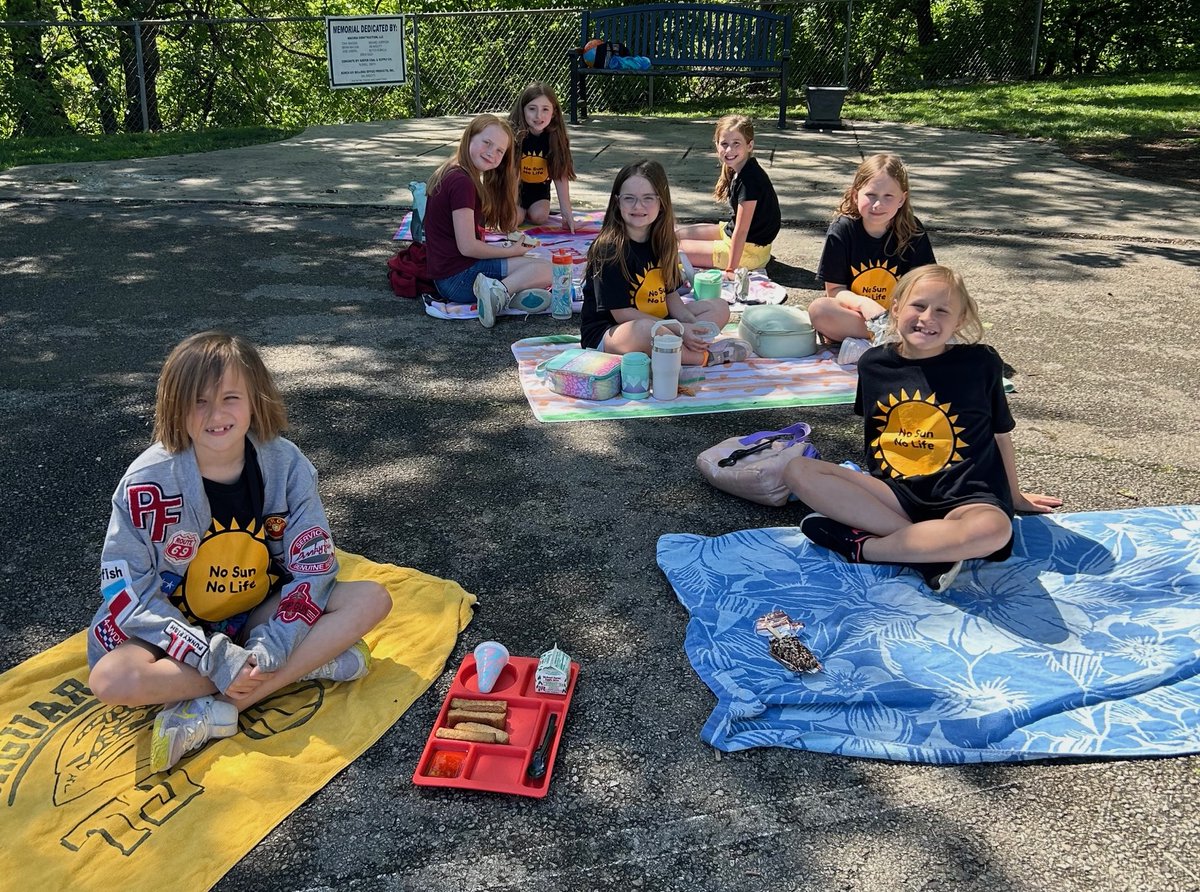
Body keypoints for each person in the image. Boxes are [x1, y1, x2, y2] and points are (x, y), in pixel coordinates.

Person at [87, 331, 392, 773]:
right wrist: (217, 659)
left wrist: (270, 650)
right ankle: (298, 670)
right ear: (175, 406)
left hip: (253, 615)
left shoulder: (286, 464)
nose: (216, 415)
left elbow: (314, 568)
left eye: (230, 398)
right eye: (198, 401)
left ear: (256, 400)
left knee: (372, 599)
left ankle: (219, 704)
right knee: (111, 678)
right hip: (174, 633)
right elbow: (128, 593)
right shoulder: (145, 483)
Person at [784, 265, 1061, 592]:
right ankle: (928, 552)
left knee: (995, 530)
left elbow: (1001, 433)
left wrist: (1013, 496)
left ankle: (866, 547)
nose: (928, 317)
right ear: (897, 308)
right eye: (918, 305)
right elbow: (878, 437)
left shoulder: (980, 362)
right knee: (797, 468)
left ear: (958, 322)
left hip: (967, 497)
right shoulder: (873, 364)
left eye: (942, 310)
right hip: (899, 494)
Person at [579, 159, 752, 366]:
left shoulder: (663, 240)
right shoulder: (608, 249)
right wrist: (678, 329)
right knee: (645, 330)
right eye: (629, 198)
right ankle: (703, 357)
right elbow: (622, 313)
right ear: (617, 202)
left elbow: (671, 296)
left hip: (660, 321)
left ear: (661, 203)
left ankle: (680, 346)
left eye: (648, 198)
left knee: (720, 307)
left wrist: (690, 325)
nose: (638, 206)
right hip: (610, 333)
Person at [423, 114, 553, 328]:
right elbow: (467, 247)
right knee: (546, 270)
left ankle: (507, 298)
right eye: (487, 142)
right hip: (458, 280)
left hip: (449, 276)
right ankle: (496, 294)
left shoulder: (455, 171)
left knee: (532, 268)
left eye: (500, 151)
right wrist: (511, 251)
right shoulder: (461, 182)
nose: (492, 153)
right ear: (469, 137)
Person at [808, 153, 936, 343]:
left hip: (901, 318)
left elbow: (926, 285)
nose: (878, 204)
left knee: (955, 310)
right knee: (819, 310)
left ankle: (893, 336)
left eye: (888, 196)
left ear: (902, 199)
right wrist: (864, 303)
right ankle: (894, 339)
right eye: (871, 195)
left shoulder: (912, 230)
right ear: (855, 195)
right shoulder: (842, 230)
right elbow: (834, 290)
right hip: (858, 317)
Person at [677, 114, 780, 279]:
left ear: (750, 145)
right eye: (724, 144)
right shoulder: (740, 168)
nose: (729, 150)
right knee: (675, 234)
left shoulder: (750, 180)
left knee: (673, 250)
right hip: (733, 235)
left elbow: (742, 230)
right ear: (716, 145)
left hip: (750, 252)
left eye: (736, 144)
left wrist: (731, 270)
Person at [508, 82, 577, 233]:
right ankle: (517, 211)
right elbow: (511, 175)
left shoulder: (556, 138)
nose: (539, 116)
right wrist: (510, 206)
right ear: (522, 110)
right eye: (532, 109)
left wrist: (567, 212)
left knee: (539, 217)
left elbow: (560, 174)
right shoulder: (513, 136)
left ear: (554, 113)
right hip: (514, 189)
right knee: (514, 219)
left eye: (545, 109)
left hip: (539, 191)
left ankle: (526, 211)